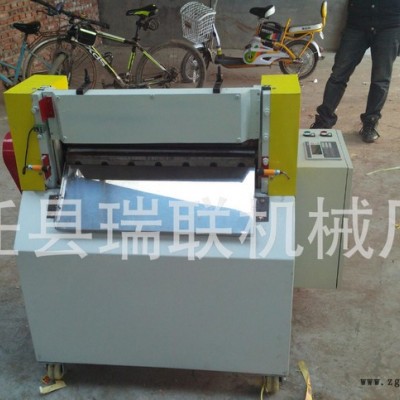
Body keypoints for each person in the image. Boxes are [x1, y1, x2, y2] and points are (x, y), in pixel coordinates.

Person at [310, 0, 400, 143]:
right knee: (339, 74)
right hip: (357, 23)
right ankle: (324, 120)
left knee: (381, 79)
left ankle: (370, 122)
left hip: (389, 25)